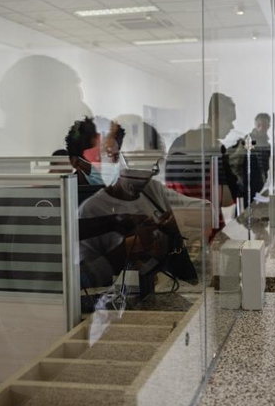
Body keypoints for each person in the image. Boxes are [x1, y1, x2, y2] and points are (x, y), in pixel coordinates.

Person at [80, 122, 206, 289]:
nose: (146, 175)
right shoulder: (90, 210)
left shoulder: (152, 190)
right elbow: (84, 281)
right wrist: (128, 248)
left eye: (152, 168)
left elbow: (206, 211)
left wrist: (179, 220)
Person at [166, 93, 241, 229]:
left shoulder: (180, 142)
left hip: (180, 225)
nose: (232, 126)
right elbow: (226, 199)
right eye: (229, 120)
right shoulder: (215, 148)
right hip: (206, 228)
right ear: (215, 117)